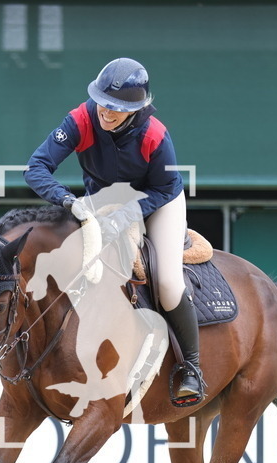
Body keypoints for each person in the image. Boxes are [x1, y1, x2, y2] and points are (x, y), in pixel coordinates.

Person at [24, 57, 203, 406]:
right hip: (102, 201)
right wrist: (67, 201)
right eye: (103, 103)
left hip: (159, 202)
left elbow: (165, 188)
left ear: (137, 108)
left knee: (166, 282)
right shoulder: (80, 119)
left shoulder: (155, 134)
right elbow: (36, 167)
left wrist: (128, 215)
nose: (106, 112)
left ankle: (191, 369)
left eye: (117, 109)